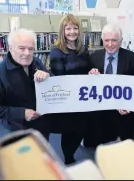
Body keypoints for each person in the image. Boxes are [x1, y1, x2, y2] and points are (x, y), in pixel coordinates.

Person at [0, 28, 50, 137]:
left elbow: (48, 85)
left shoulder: (37, 62)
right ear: (11, 48)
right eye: (21, 48)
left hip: (42, 123)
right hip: (18, 127)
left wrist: (47, 76)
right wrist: (22, 113)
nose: (27, 53)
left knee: (43, 150)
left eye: (31, 49)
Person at [85, 24, 134, 147]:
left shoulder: (132, 58)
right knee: (100, 148)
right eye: (107, 40)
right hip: (100, 111)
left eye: (114, 40)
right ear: (102, 40)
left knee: (122, 149)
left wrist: (127, 103)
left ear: (120, 41)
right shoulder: (93, 57)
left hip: (121, 112)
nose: (110, 44)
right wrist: (90, 75)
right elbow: (89, 85)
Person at [48, 14, 90, 165]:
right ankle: (68, 157)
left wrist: (92, 72)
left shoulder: (82, 49)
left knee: (81, 128)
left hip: (82, 98)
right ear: (62, 30)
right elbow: (59, 78)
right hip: (67, 100)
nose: (72, 31)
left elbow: (87, 70)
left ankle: (71, 151)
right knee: (69, 130)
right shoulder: (57, 51)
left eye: (75, 28)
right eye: (68, 28)